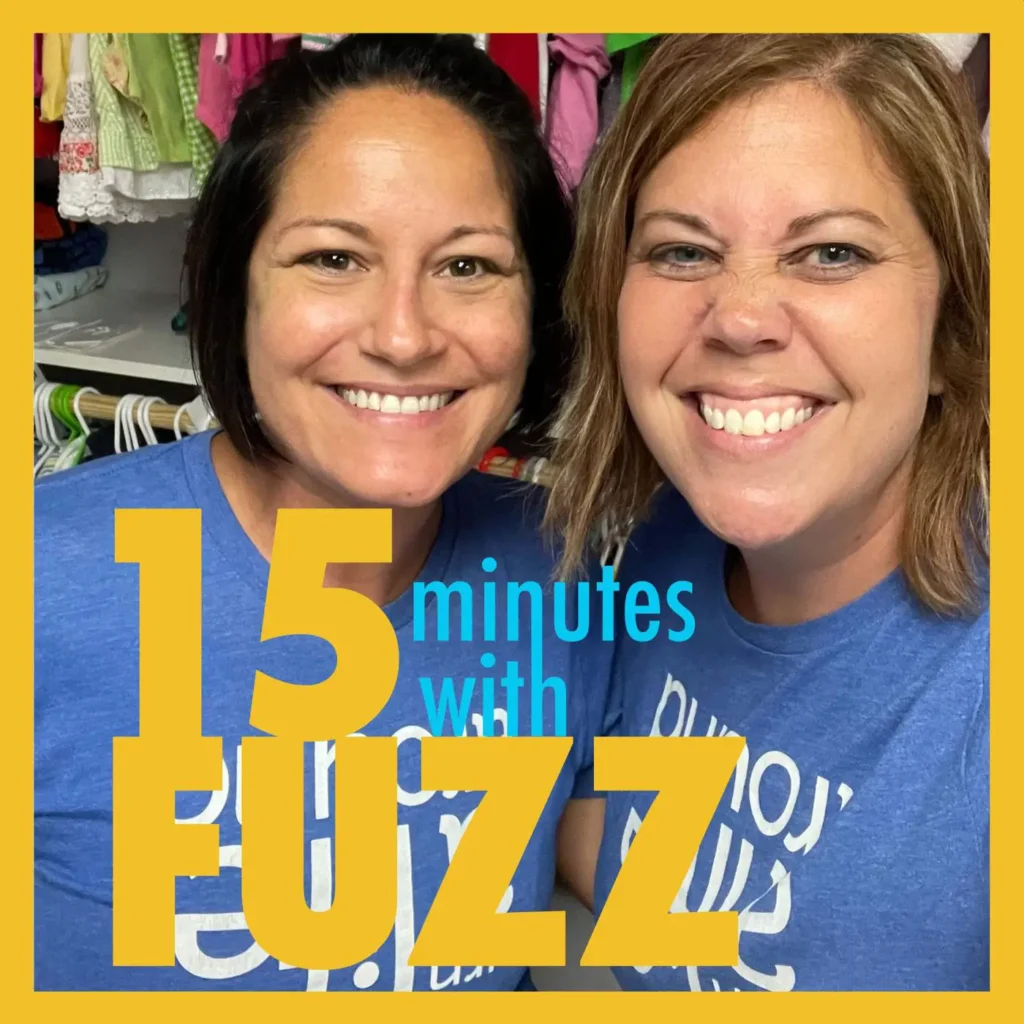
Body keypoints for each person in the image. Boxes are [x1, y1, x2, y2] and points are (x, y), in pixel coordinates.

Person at [35, 34, 612, 991]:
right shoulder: (40, 585)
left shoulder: (565, 574)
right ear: (237, 289)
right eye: (334, 258)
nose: (403, 336)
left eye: (468, 267)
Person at [548, 33, 989, 991]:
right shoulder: (665, 546)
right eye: (682, 250)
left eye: (832, 252)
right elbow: (652, 867)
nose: (741, 317)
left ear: (953, 331)